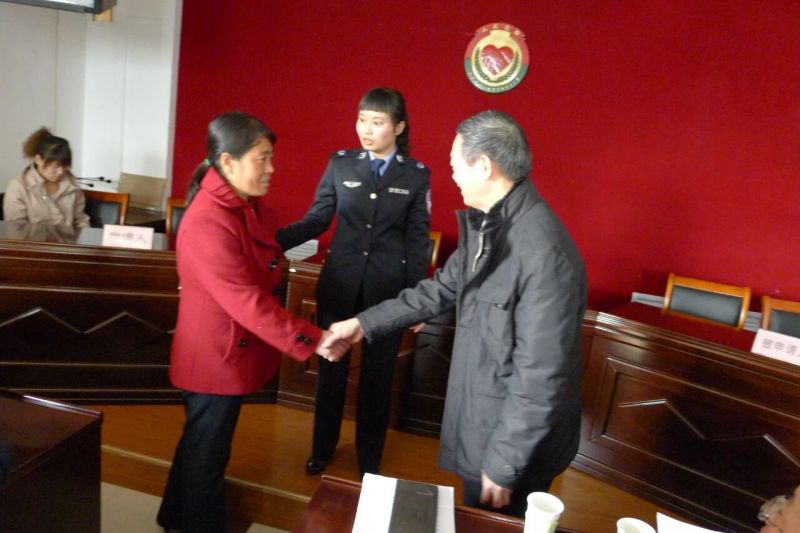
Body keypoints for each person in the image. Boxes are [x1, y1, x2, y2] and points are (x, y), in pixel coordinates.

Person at [327, 110, 587, 518]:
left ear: (483, 166)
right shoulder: (493, 226)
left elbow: (541, 374)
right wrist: (362, 323)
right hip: (489, 427)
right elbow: (437, 291)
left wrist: (505, 463)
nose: (452, 175)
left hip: (514, 448)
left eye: (455, 165)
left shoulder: (542, 252)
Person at [156, 111, 348, 533]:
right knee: (206, 460)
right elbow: (246, 302)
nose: (272, 168)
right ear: (228, 162)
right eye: (263, 158)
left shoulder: (242, 205)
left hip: (223, 351)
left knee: (200, 447)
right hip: (212, 357)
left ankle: (173, 518)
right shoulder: (209, 220)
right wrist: (314, 339)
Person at [276, 87, 431, 477]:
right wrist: (270, 242)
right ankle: (322, 448)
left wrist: (418, 301)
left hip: (387, 293)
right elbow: (316, 220)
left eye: (377, 122)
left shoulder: (415, 175)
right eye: (362, 120)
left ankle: (369, 459)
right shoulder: (341, 165)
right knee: (330, 370)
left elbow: (417, 241)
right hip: (340, 285)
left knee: (377, 378)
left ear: (398, 127)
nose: (366, 129)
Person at [3, 127, 90, 228]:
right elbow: (16, 228)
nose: (61, 171)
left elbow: (80, 219)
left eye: (65, 165)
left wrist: (84, 234)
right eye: (56, 166)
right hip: (32, 238)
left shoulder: (72, 184)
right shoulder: (18, 187)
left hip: (68, 238)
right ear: (38, 160)